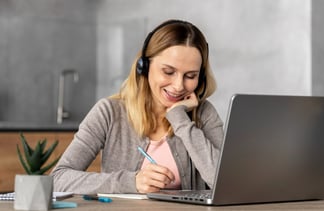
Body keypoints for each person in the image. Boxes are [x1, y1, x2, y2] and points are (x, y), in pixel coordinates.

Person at [52, 19, 224, 194]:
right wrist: (132, 182)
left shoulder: (204, 114)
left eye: (190, 76)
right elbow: (58, 179)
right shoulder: (109, 112)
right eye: (168, 72)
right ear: (144, 66)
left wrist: (180, 119)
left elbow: (224, 183)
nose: (179, 85)